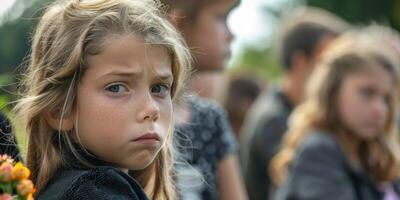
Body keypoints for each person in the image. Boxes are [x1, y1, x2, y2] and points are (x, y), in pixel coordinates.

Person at [14, 0, 191, 199]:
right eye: (116, 88)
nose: (151, 109)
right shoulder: (95, 192)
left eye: (159, 88)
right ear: (59, 109)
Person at [270, 29, 400, 200]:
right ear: (333, 91)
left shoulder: (369, 154)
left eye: (386, 99)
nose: (380, 109)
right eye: (367, 92)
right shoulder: (319, 150)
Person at [239, 7, 349, 200]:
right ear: (300, 61)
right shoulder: (275, 119)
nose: (338, 74)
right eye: (328, 63)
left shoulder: (289, 110)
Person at [160, 0, 248, 199]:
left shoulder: (211, 118)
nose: (231, 35)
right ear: (178, 23)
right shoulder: (143, 115)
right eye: (221, 18)